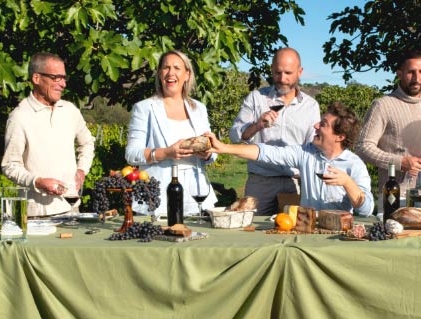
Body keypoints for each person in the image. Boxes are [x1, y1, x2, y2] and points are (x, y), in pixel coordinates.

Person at [210, 102, 373, 216]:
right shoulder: (306, 153)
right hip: (306, 231)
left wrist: (348, 183)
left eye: (323, 124)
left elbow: (366, 210)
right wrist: (224, 148)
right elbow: (266, 152)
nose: (315, 126)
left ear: (340, 136)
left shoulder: (354, 165)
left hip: (338, 235)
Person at [357, 50, 421, 212]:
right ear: (399, 74)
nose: (416, 78)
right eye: (411, 72)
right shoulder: (383, 105)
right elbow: (363, 147)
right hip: (394, 198)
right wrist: (400, 162)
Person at [125, 50, 217, 217]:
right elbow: (132, 154)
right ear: (160, 74)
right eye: (166, 68)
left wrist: (207, 154)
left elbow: (212, 153)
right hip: (157, 198)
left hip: (196, 196)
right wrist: (167, 152)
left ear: (187, 75)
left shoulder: (199, 109)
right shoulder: (144, 108)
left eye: (177, 67)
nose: (171, 73)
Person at [229, 47, 321, 215]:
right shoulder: (256, 98)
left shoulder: (310, 106)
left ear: (300, 72)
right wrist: (256, 126)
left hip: (294, 184)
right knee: (251, 233)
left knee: (293, 232)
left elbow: (312, 148)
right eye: (278, 73)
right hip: (260, 182)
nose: (282, 79)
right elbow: (235, 135)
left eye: (288, 73)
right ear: (271, 70)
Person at [2, 52, 95, 217]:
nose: (63, 84)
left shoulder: (70, 110)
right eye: (56, 77)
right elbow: (10, 166)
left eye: (64, 78)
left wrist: (82, 170)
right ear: (36, 78)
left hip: (72, 208)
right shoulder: (19, 117)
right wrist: (37, 182)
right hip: (38, 214)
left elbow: (87, 142)